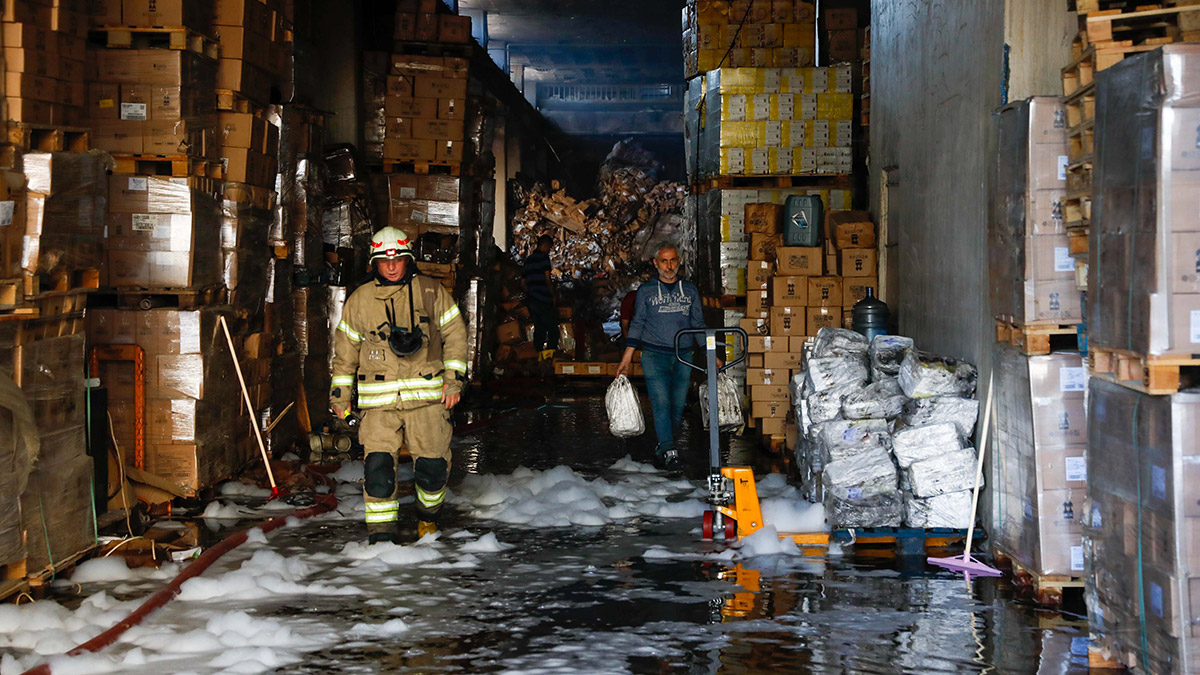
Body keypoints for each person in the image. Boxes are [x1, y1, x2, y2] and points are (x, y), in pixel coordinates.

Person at [330, 226, 468, 544]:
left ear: (408, 260)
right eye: (384, 261)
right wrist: (340, 395)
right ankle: (381, 537)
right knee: (378, 471)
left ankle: (428, 518)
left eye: (397, 260)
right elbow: (345, 350)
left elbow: (456, 334)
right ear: (374, 263)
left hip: (428, 400)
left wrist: (453, 381)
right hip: (379, 404)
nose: (391, 267)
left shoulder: (431, 292)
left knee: (433, 469)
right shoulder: (360, 300)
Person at [617, 242, 716, 472]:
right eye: (664, 261)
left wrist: (710, 354)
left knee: (677, 407)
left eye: (673, 261)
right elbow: (638, 323)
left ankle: (663, 447)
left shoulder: (689, 290)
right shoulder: (646, 291)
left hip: (683, 356)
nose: (669, 266)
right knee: (661, 404)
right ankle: (670, 451)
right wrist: (627, 357)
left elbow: (698, 323)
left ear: (678, 262)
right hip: (654, 355)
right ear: (655, 263)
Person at [523, 234, 558, 362]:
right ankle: (551, 358)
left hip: (533, 299)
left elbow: (523, 283)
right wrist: (553, 295)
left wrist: (530, 294)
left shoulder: (528, 260)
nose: (548, 251)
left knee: (539, 328)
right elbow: (548, 279)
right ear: (544, 245)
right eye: (549, 248)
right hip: (544, 299)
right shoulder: (543, 259)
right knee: (553, 329)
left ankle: (538, 357)